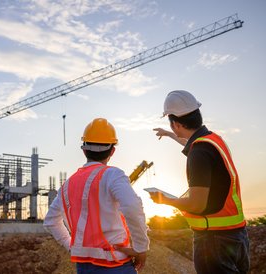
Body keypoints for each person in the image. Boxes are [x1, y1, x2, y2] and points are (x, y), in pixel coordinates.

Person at [151, 90, 250, 274]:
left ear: (176, 124)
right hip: (236, 236)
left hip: (214, 241)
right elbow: (189, 141)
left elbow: (197, 204)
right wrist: (169, 134)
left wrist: (164, 200)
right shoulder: (212, 140)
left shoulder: (199, 153)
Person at [43, 118, 149, 274]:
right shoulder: (112, 175)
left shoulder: (68, 184)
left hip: (84, 268)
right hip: (116, 264)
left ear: (84, 150)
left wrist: (72, 247)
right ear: (112, 151)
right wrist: (141, 248)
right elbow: (132, 207)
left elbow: (51, 222)